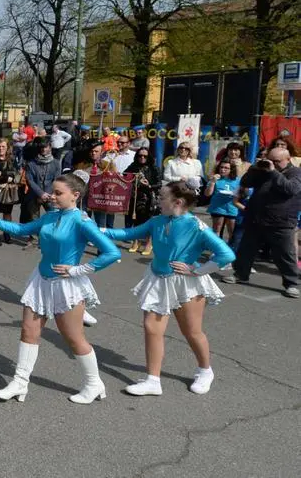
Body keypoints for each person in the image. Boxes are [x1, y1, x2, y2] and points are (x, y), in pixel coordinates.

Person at [0, 174, 121, 404]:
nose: (52, 197)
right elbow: (23, 229)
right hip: (41, 280)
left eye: (58, 193)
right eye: (52, 192)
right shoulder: (50, 216)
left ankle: (94, 384)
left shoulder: (82, 221)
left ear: (75, 195)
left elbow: (113, 253)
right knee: (28, 330)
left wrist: (79, 270)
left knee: (74, 338)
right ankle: (20, 383)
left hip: (67, 285)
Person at [104, 181, 233, 396]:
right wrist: (95, 228)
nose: (158, 200)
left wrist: (197, 271)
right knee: (151, 328)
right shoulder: (157, 221)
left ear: (178, 202)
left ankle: (205, 370)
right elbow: (127, 234)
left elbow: (227, 254)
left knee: (191, 331)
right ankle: (153, 380)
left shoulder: (195, 225)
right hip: (158, 279)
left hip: (186, 283)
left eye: (162, 197)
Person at [226, 147, 301, 298]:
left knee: (285, 253)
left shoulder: (296, 173)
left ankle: (291, 284)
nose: (272, 163)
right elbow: (246, 182)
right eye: (270, 160)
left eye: (276, 161)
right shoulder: (263, 171)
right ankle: (240, 274)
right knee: (246, 249)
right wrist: (255, 168)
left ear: (288, 159)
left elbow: (290, 189)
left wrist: (273, 172)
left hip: (281, 220)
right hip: (257, 217)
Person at [124, 147, 160, 255]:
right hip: (135, 197)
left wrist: (148, 184)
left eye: (145, 156)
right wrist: (133, 179)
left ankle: (149, 243)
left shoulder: (154, 168)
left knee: (149, 221)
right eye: (140, 155)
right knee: (135, 221)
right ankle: (136, 241)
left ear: (149, 156)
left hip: (149, 197)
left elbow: (159, 184)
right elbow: (124, 177)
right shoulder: (133, 166)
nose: (142, 158)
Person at [21, 138, 62, 224]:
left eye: (46, 147)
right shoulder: (31, 164)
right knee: (33, 220)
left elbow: (56, 180)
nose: (43, 149)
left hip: (50, 195)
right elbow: (30, 180)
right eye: (42, 147)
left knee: (54, 218)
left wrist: (46, 194)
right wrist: (40, 194)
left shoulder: (56, 163)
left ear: (50, 147)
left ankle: (51, 236)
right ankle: (34, 237)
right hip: (34, 194)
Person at [205, 160, 240, 242]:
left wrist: (236, 194)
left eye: (226, 168)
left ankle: (231, 250)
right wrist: (213, 182)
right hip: (218, 207)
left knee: (232, 232)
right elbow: (207, 194)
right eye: (221, 167)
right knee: (216, 230)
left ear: (231, 170)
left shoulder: (237, 180)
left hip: (232, 207)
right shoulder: (215, 179)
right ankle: (215, 251)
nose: (223, 170)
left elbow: (241, 193)